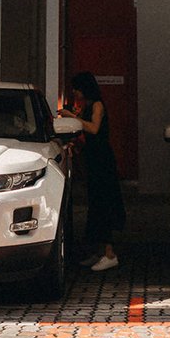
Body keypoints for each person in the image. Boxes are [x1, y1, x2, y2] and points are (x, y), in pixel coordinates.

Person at [58, 72, 125, 271]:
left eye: (77, 89)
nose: (74, 92)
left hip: (101, 160)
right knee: (95, 203)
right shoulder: (87, 105)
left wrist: (72, 117)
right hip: (93, 158)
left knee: (102, 203)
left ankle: (109, 253)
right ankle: (99, 251)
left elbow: (94, 128)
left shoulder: (97, 105)